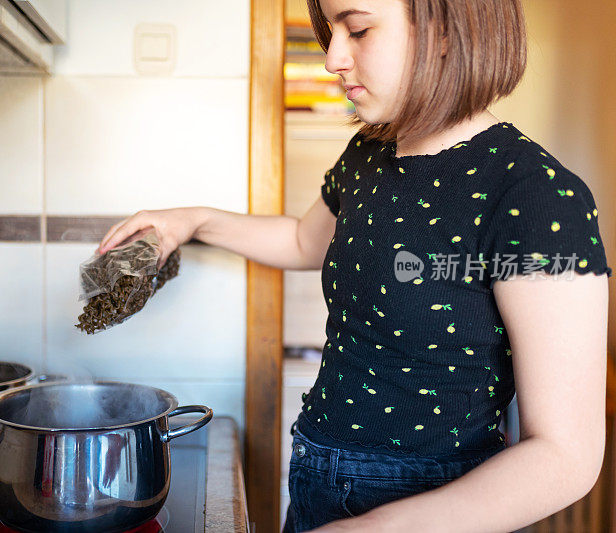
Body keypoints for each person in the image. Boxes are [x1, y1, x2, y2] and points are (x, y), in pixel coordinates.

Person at [96, 0, 612, 531]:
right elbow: (302, 241)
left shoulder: (539, 195)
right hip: (317, 478)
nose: (332, 58)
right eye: (330, 32)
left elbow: (564, 457)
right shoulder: (368, 153)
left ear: (444, 30)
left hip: (436, 507)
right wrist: (194, 220)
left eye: (358, 30)